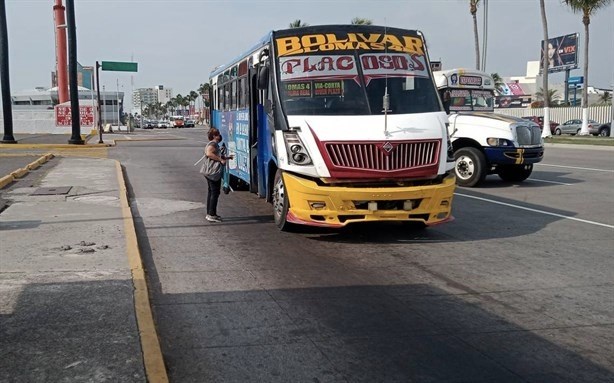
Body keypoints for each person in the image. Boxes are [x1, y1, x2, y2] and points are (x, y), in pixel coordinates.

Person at [202, 127, 233, 222]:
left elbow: (216, 154)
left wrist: (226, 158)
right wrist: (221, 160)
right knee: (214, 193)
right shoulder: (213, 144)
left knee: (212, 192)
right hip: (212, 172)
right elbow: (209, 153)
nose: (220, 136)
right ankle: (211, 214)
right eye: (218, 134)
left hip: (210, 172)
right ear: (214, 136)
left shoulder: (214, 144)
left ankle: (211, 213)